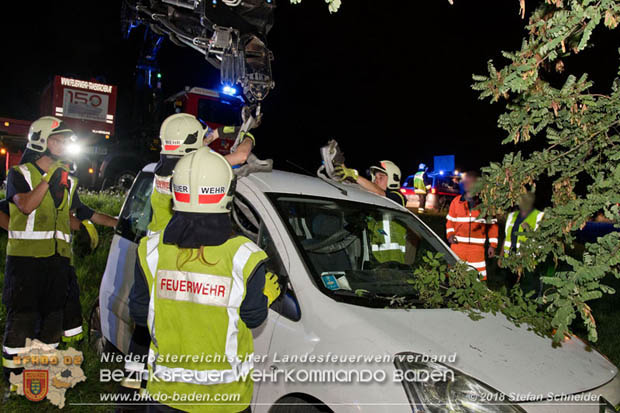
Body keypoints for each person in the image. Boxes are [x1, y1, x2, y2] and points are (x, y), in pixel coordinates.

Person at [128, 147, 280, 412]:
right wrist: (266, 295)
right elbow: (254, 318)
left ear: (176, 192)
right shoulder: (245, 257)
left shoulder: (150, 250)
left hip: (166, 396)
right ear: (226, 194)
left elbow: (140, 315)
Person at [2, 116, 117, 385]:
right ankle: (13, 378)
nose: (65, 145)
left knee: (53, 319)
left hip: (58, 263)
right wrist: (48, 179)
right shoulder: (19, 175)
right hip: (25, 263)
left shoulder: (68, 180)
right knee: (23, 319)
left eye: (67, 141)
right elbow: (27, 206)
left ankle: (37, 378)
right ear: (41, 140)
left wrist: (116, 224)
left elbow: (80, 212)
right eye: (59, 140)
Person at [445, 171, 498, 281]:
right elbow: (450, 221)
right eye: (466, 182)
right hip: (457, 247)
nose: (468, 185)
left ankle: (477, 297)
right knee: (455, 277)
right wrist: (450, 235)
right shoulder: (456, 201)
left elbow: (492, 225)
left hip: (477, 249)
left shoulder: (486, 204)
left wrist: (493, 245)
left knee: (478, 279)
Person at [501, 192, 546, 296]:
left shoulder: (539, 216)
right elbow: (506, 237)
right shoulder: (512, 216)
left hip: (528, 261)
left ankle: (529, 305)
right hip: (510, 259)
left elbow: (542, 241)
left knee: (528, 288)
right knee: (510, 286)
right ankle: (510, 303)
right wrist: (501, 256)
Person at [335, 160, 406, 207]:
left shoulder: (399, 198)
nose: (376, 180)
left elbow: (380, 192)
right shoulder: (373, 194)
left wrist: (354, 176)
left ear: (392, 179)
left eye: (381, 177)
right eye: (375, 177)